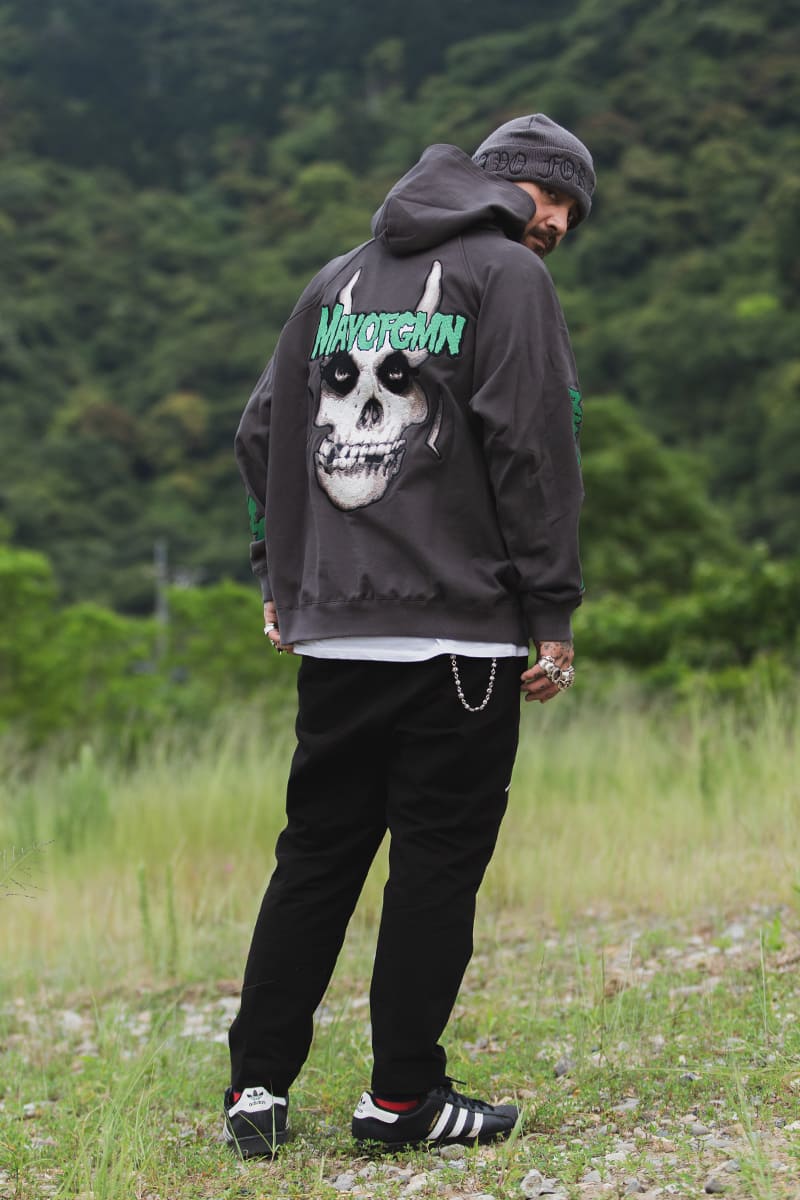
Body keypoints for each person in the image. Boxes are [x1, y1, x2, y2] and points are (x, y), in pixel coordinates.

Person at [225, 113, 595, 1157]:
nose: (560, 227)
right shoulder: (508, 276)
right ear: (518, 187)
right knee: (435, 865)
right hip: (457, 635)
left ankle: (255, 1090)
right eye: (560, 204)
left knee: (314, 857)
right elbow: (532, 445)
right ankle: (401, 1102)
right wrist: (551, 610)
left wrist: (281, 574)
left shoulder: (336, 278)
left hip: (338, 634)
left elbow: (260, 430)